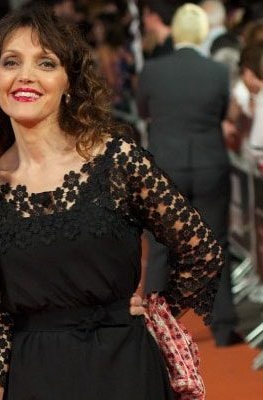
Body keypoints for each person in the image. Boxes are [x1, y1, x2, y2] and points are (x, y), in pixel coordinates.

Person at [0, 5, 223, 399]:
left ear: (69, 83)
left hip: (125, 371)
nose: (25, 75)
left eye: (45, 63)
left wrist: (159, 308)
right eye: (11, 62)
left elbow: (202, 253)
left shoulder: (118, 162)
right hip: (35, 378)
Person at [137, 3, 238, 347]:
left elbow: (143, 110)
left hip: (166, 168)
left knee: (162, 247)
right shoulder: (217, 72)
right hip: (211, 164)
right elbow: (223, 111)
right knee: (216, 245)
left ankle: (154, 328)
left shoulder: (152, 70)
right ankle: (224, 327)